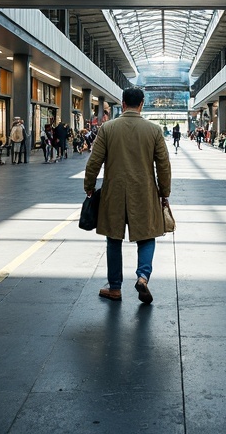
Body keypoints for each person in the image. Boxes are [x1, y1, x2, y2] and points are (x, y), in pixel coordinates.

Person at [84, 87, 172, 304]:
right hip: (144, 191)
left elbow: (94, 161)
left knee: (113, 238)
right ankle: (143, 277)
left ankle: (114, 288)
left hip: (114, 191)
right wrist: (164, 192)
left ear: (122, 104)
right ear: (141, 104)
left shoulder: (107, 128)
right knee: (147, 235)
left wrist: (89, 185)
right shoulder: (154, 130)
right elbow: (163, 165)